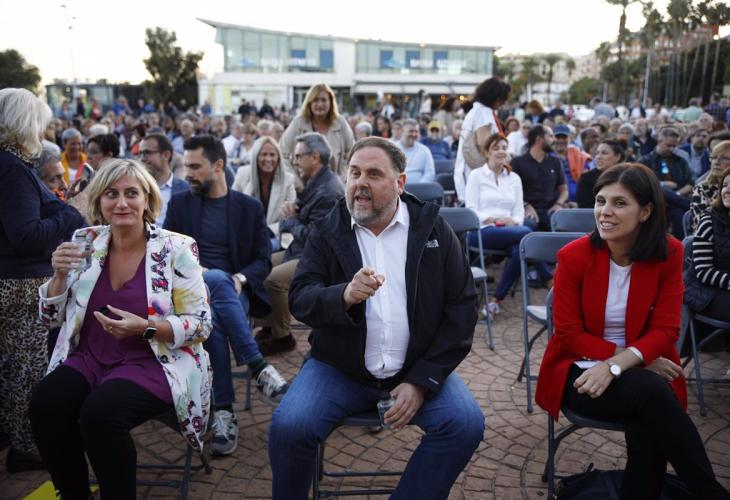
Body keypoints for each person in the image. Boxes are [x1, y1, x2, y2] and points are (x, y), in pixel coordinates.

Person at [269, 137, 485, 499]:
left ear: (400, 183)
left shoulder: (433, 229)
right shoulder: (328, 229)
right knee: (290, 428)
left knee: (464, 425)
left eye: (373, 174)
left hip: (416, 368)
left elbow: (462, 308)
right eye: (354, 173)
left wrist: (422, 381)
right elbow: (301, 298)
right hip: (340, 370)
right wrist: (343, 295)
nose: (360, 183)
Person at [536, 163, 730, 500]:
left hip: (642, 371)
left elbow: (667, 329)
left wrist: (620, 364)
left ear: (646, 211)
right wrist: (629, 361)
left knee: (649, 417)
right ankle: (709, 493)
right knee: (654, 395)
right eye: (600, 201)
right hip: (581, 370)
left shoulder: (669, 253)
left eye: (619, 203)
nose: (605, 212)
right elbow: (568, 333)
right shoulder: (573, 256)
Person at [29, 159, 212, 499]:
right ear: (99, 200)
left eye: (132, 193)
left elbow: (201, 325)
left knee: (100, 415)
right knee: (45, 402)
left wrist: (146, 327)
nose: (122, 203)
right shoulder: (86, 240)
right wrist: (57, 276)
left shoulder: (176, 248)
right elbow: (50, 319)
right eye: (111, 194)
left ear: (147, 200)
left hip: (155, 360)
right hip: (91, 357)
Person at [164, 135, 289, 456]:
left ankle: (224, 410)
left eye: (195, 167)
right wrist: (202, 274)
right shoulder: (180, 204)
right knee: (214, 280)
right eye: (186, 166)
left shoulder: (248, 208)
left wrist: (240, 278)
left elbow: (262, 260)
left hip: (234, 294)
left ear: (218, 166)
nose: (187, 174)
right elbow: (167, 254)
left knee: (215, 312)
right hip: (187, 293)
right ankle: (258, 367)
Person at [0, 88, 86, 473]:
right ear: (25, 124)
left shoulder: (10, 165)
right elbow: (26, 234)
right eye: (40, 124)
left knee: (13, 366)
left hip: (11, 279)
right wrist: (69, 212)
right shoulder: (12, 168)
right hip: (19, 282)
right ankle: (28, 445)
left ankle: (17, 437)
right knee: (28, 367)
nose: (43, 132)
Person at [255, 133, 344, 354]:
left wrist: (290, 220)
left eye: (298, 156)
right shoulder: (317, 181)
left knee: (274, 280)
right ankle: (270, 326)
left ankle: (283, 337)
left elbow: (315, 236)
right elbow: (303, 212)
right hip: (301, 249)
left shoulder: (328, 190)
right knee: (260, 264)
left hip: (318, 257)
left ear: (314, 157)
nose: (294, 162)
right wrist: (294, 210)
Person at [464, 134, 551, 318]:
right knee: (527, 234)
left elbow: (519, 212)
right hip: (482, 231)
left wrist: (513, 221)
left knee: (520, 249)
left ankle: (495, 301)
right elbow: (470, 210)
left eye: (504, 147)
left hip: (512, 231)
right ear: (486, 152)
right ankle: (548, 278)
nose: (501, 151)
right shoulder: (476, 175)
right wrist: (493, 219)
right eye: (496, 148)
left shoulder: (514, 178)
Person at [232, 136, 296, 248]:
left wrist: (267, 230)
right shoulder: (242, 174)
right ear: (256, 156)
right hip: (246, 235)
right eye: (264, 154)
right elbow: (233, 208)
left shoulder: (288, 179)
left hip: (274, 236)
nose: (268, 159)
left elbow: (292, 217)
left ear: (278, 158)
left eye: (272, 155)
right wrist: (251, 184)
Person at [280, 83, 355, 179]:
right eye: (315, 100)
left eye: (324, 100)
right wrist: (295, 181)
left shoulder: (340, 122)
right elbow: (282, 154)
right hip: (302, 184)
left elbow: (353, 153)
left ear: (330, 102)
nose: (320, 104)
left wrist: (341, 178)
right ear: (309, 103)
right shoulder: (298, 122)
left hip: (335, 183)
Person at [454, 77, 511, 200]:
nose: (504, 102)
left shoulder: (477, 110)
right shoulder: (483, 112)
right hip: (480, 176)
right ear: (494, 97)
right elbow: (484, 144)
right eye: (503, 98)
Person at [688, 166, 730, 327]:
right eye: (724, 185)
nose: (727, 190)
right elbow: (703, 271)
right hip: (704, 290)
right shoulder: (709, 220)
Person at [639, 127, 693, 238]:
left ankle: (680, 243)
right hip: (654, 197)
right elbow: (642, 183)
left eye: (674, 146)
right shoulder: (645, 161)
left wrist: (676, 195)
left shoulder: (680, 161)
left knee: (678, 211)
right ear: (659, 141)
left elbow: (690, 183)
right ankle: (690, 205)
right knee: (662, 190)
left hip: (677, 197)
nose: (672, 149)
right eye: (669, 145)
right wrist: (662, 184)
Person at [511, 125, 568, 231]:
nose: (554, 140)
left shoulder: (555, 162)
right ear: (539, 139)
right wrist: (525, 206)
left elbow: (564, 190)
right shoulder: (517, 162)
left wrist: (558, 204)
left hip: (550, 210)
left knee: (562, 225)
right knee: (529, 225)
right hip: (527, 211)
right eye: (550, 136)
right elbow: (511, 191)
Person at [138, 133, 189, 226]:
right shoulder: (134, 188)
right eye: (140, 153)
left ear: (166, 155)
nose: (142, 158)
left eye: (147, 153)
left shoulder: (186, 189)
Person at [689, 141, 730, 233]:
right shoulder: (703, 189)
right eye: (714, 157)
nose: (717, 162)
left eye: (724, 158)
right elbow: (700, 225)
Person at [576, 140, 626, 208]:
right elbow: (584, 206)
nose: (598, 157)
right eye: (597, 153)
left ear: (617, 157)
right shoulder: (586, 178)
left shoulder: (626, 177)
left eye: (604, 153)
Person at [553, 124, 591, 204]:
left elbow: (587, 178)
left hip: (579, 201)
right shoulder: (547, 157)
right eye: (558, 137)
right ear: (553, 138)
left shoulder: (578, 155)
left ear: (569, 138)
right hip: (555, 202)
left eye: (564, 137)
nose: (561, 140)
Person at [395, 119, 436, 183]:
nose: (414, 134)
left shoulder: (425, 150)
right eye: (411, 131)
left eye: (416, 131)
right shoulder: (393, 149)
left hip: (420, 187)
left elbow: (430, 173)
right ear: (402, 131)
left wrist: (418, 186)